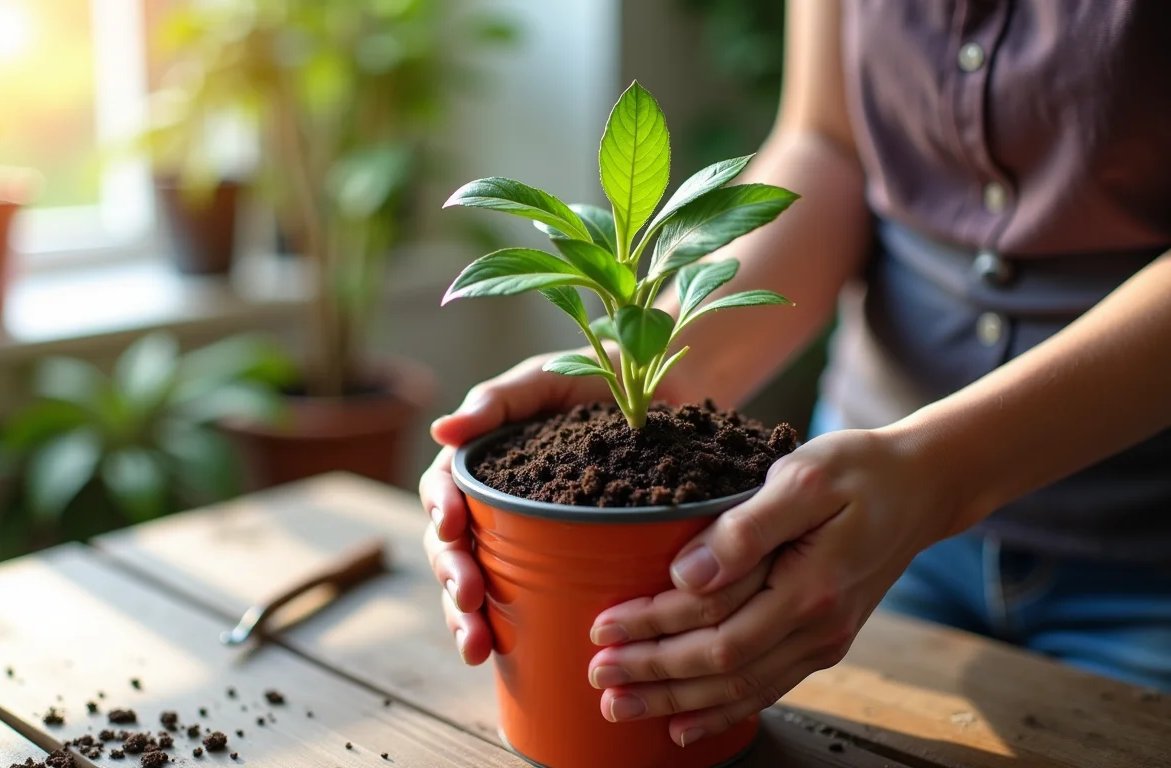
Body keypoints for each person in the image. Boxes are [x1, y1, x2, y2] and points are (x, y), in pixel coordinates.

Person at [420, 0, 1171, 749]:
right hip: (840, 529)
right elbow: (829, 145)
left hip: (1141, 552)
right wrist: (640, 368)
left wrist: (936, 475)